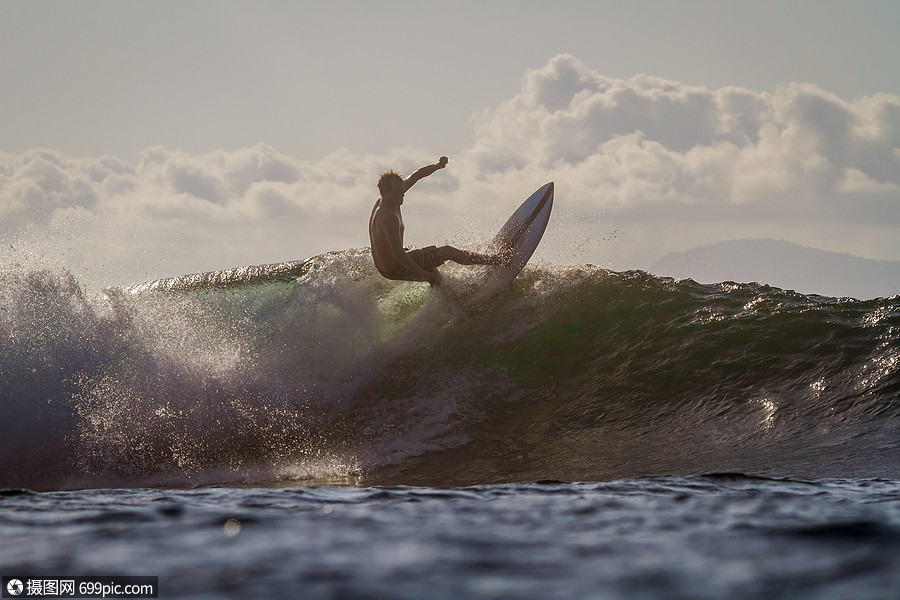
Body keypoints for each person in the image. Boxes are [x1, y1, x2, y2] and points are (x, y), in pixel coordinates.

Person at [368, 156, 499, 287]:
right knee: (448, 252)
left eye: (402, 190)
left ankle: (451, 298)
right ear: (384, 193)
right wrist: (425, 275)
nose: (403, 194)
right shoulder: (387, 217)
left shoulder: (389, 200)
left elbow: (416, 175)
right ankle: (495, 260)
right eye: (398, 192)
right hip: (396, 267)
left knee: (433, 271)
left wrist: (437, 165)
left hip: (385, 269)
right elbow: (399, 256)